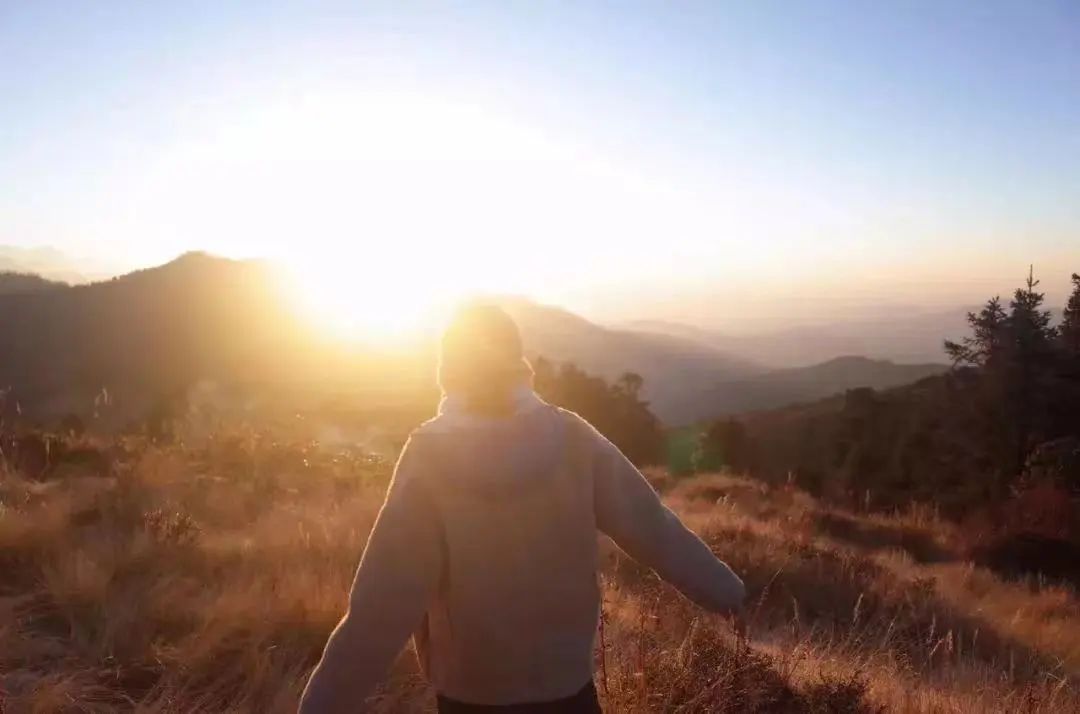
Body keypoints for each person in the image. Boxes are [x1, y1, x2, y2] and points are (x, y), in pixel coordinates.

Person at [299, 305, 745, 713]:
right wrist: (726, 593)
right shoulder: (574, 439)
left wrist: (320, 705)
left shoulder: (428, 459)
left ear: (447, 372)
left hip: (471, 696)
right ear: (520, 365)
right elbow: (654, 530)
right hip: (567, 688)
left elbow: (382, 605)